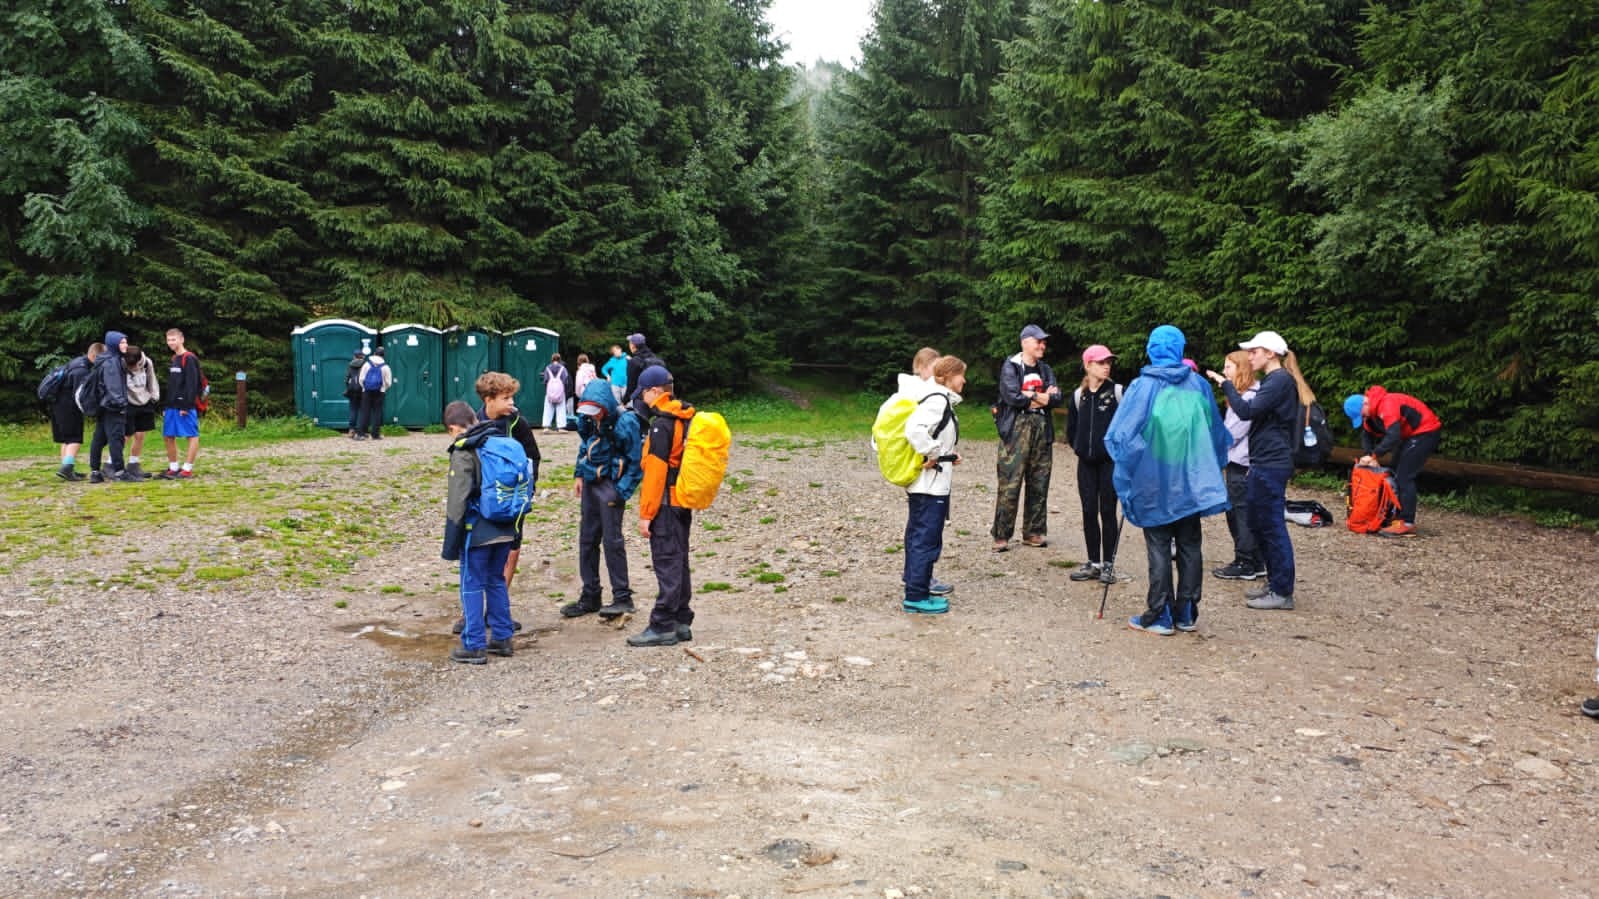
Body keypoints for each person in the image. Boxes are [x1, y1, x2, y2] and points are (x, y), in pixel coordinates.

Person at [1105, 325, 1230, 635]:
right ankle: (1186, 612)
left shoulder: (1142, 387)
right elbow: (1215, 431)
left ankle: (1160, 614)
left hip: (1154, 480)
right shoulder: (1199, 385)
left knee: (1159, 545)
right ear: (1180, 348)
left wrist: (1130, 469)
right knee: (1190, 544)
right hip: (1191, 481)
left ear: (1151, 349)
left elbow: (1122, 435)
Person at [1205, 330, 1312, 611]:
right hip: (1262, 461)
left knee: (1272, 526)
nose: (1250, 356)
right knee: (1259, 522)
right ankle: (1274, 582)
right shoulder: (1273, 381)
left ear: (1270, 354)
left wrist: (1226, 385)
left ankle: (1282, 591)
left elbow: (1246, 411)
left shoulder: (1279, 381)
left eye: (1254, 351)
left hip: (1271, 463)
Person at [447, 372, 541, 638]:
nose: (512, 403)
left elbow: (533, 457)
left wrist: (526, 491)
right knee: (479, 561)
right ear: (488, 400)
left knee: (510, 550)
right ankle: (472, 614)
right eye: (506, 398)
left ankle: (497, 613)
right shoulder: (475, 423)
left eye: (512, 397)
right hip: (483, 505)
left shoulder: (518, 424)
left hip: (513, 500)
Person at [441, 401, 518, 664]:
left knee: (471, 583)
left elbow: (458, 499)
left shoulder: (464, 449)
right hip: (506, 524)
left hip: (478, 529)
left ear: (453, 428)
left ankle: (474, 644)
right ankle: (502, 637)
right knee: (495, 579)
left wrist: (451, 540)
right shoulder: (499, 440)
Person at [561, 378, 645, 621]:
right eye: (588, 411)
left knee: (612, 542)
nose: (592, 415)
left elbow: (636, 462)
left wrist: (620, 492)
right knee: (587, 540)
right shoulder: (587, 419)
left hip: (611, 485)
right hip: (590, 482)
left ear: (606, 405)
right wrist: (579, 474)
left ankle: (623, 597)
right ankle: (590, 595)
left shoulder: (626, 421)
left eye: (596, 410)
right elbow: (584, 445)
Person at [627, 365, 698, 647]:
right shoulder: (685, 418)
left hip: (665, 505)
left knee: (667, 561)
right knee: (679, 560)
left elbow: (656, 474)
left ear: (655, 391)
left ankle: (662, 625)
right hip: (682, 501)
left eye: (643, 393)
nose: (642, 399)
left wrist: (646, 514)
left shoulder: (661, 424)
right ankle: (681, 620)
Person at [901, 356, 966, 614]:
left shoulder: (938, 399)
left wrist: (948, 454)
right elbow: (914, 430)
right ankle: (916, 596)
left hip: (930, 483)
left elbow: (935, 435)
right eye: (961, 375)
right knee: (926, 539)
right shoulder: (938, 400)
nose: (964, 380)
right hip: (930, 486)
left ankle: (917, 587)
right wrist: (934, 452)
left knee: (920, 535)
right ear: (949, 376)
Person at [991, 324, 1062, 552]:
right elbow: (1012, 397)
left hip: (1042, 429)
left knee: (1039, 481)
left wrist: (1031, 396)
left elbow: (1057, 398)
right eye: (1038, 341)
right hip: (1016, 430)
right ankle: (1001, 535)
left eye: (1044, 341)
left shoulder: (1045, 369)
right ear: (1025, 342)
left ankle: (1033, 532)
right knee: (1010, 482)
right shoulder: (1011, 366)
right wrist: (1040, 397)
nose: (1042, 345)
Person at [1344, 387, 1442, 538]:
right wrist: (1368, 455)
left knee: (1404, 477)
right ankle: (1394, 516)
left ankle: (1407, 523)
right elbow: (1367, 435)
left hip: (1426, 432)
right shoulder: (1371, 413)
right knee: (1394, 472)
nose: (1364, 419)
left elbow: (1393, 436)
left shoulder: (1387, 404)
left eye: (1362, 415)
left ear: (1365, 404)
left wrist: (1374, 456)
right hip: (1409, 436)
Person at [1064, 344, 1121, 583]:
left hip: (1110, 463)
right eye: (1101, 362)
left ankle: (1109, 565)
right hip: (1086, 464)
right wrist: (1080, 448)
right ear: (1088, 365)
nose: (1106, 366)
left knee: (1108, 511)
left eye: (1109, 362)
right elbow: (1071, 429)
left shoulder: (1118, 392)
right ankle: (1093, 562)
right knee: (1088, 511)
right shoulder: (1079, 395)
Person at [1213, 350, 1265, 580]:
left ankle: (1245, 561)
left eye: (1228, 367)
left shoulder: (1248, 398)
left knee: (1239, 513)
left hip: (1241, 464)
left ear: (1241, 369)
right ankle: (1257, 561)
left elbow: (1232, 434)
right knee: (1244, 511)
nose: (1224, 372)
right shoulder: (1249, 395)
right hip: (1243, 462)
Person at [49, 341, 103, 481]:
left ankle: (67, 469)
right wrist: (90, 409)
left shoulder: (76, 362)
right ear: (95, 356)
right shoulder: (82, 371)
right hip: (68, 407)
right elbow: (81, 394)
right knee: (74, 439)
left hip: (57, 404)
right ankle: (67, 468)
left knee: (66, 439)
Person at [158, 329, 205, 478]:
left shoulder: (189, 358)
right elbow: (172, 384)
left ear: (182, 339)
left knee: (191, 435)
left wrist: (187, 405)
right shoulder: (174, 358)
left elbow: (192, 384)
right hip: (171, 405)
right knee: (168, 435)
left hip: (185, 406)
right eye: (168, 340)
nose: (171, 342)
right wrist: (166, 405)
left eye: (173, 339)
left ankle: (187, 469)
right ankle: (173, 467)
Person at [122, 344, 161, 480]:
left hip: (144, 401)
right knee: (125, 435)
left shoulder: (147, 363)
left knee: (140, 434)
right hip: (127, 402)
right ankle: (113, 463)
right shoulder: (121, 364)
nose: (133, 368)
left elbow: (152, 379)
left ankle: (133, 464)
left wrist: (154, 396)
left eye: (134, 365)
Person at [353, 345, 391, 440]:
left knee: (365, 411)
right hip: (380, 392)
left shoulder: (367, 364)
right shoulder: (385, 367)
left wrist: (364, 387)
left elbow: (361, 379)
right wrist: (383, 388)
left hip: (367, 391)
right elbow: (388, 382)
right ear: (383, 356)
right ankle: (375, 434)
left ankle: (361, 434)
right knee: (377, 412)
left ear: (374, 353)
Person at [623, 333, 662, 404]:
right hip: (659, 398)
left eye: (629, 343)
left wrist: (625, 401)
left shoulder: (633, 362)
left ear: (633, 346)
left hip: (642, 401)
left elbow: (631, 386)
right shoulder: (658, 360)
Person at [541, 353, 568, 432]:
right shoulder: (563, 368)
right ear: (560, 359)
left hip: (550, 392)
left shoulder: (547, 368)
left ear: (552, 359)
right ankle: (561, 427)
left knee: (548, 409)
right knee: (561, 409)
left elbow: (545, 380)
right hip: (560, 393)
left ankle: (546, 427)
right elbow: (565, 380)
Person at [343, 349, 366, 437]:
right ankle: (361, 431)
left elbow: (347, 379)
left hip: (352, 390)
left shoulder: (350, 365)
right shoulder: (365, 364)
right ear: (362, 356)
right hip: (363, 389)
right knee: (363, 410)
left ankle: (351, 430)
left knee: (353, 410)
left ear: (354, 356)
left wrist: (348, 387)